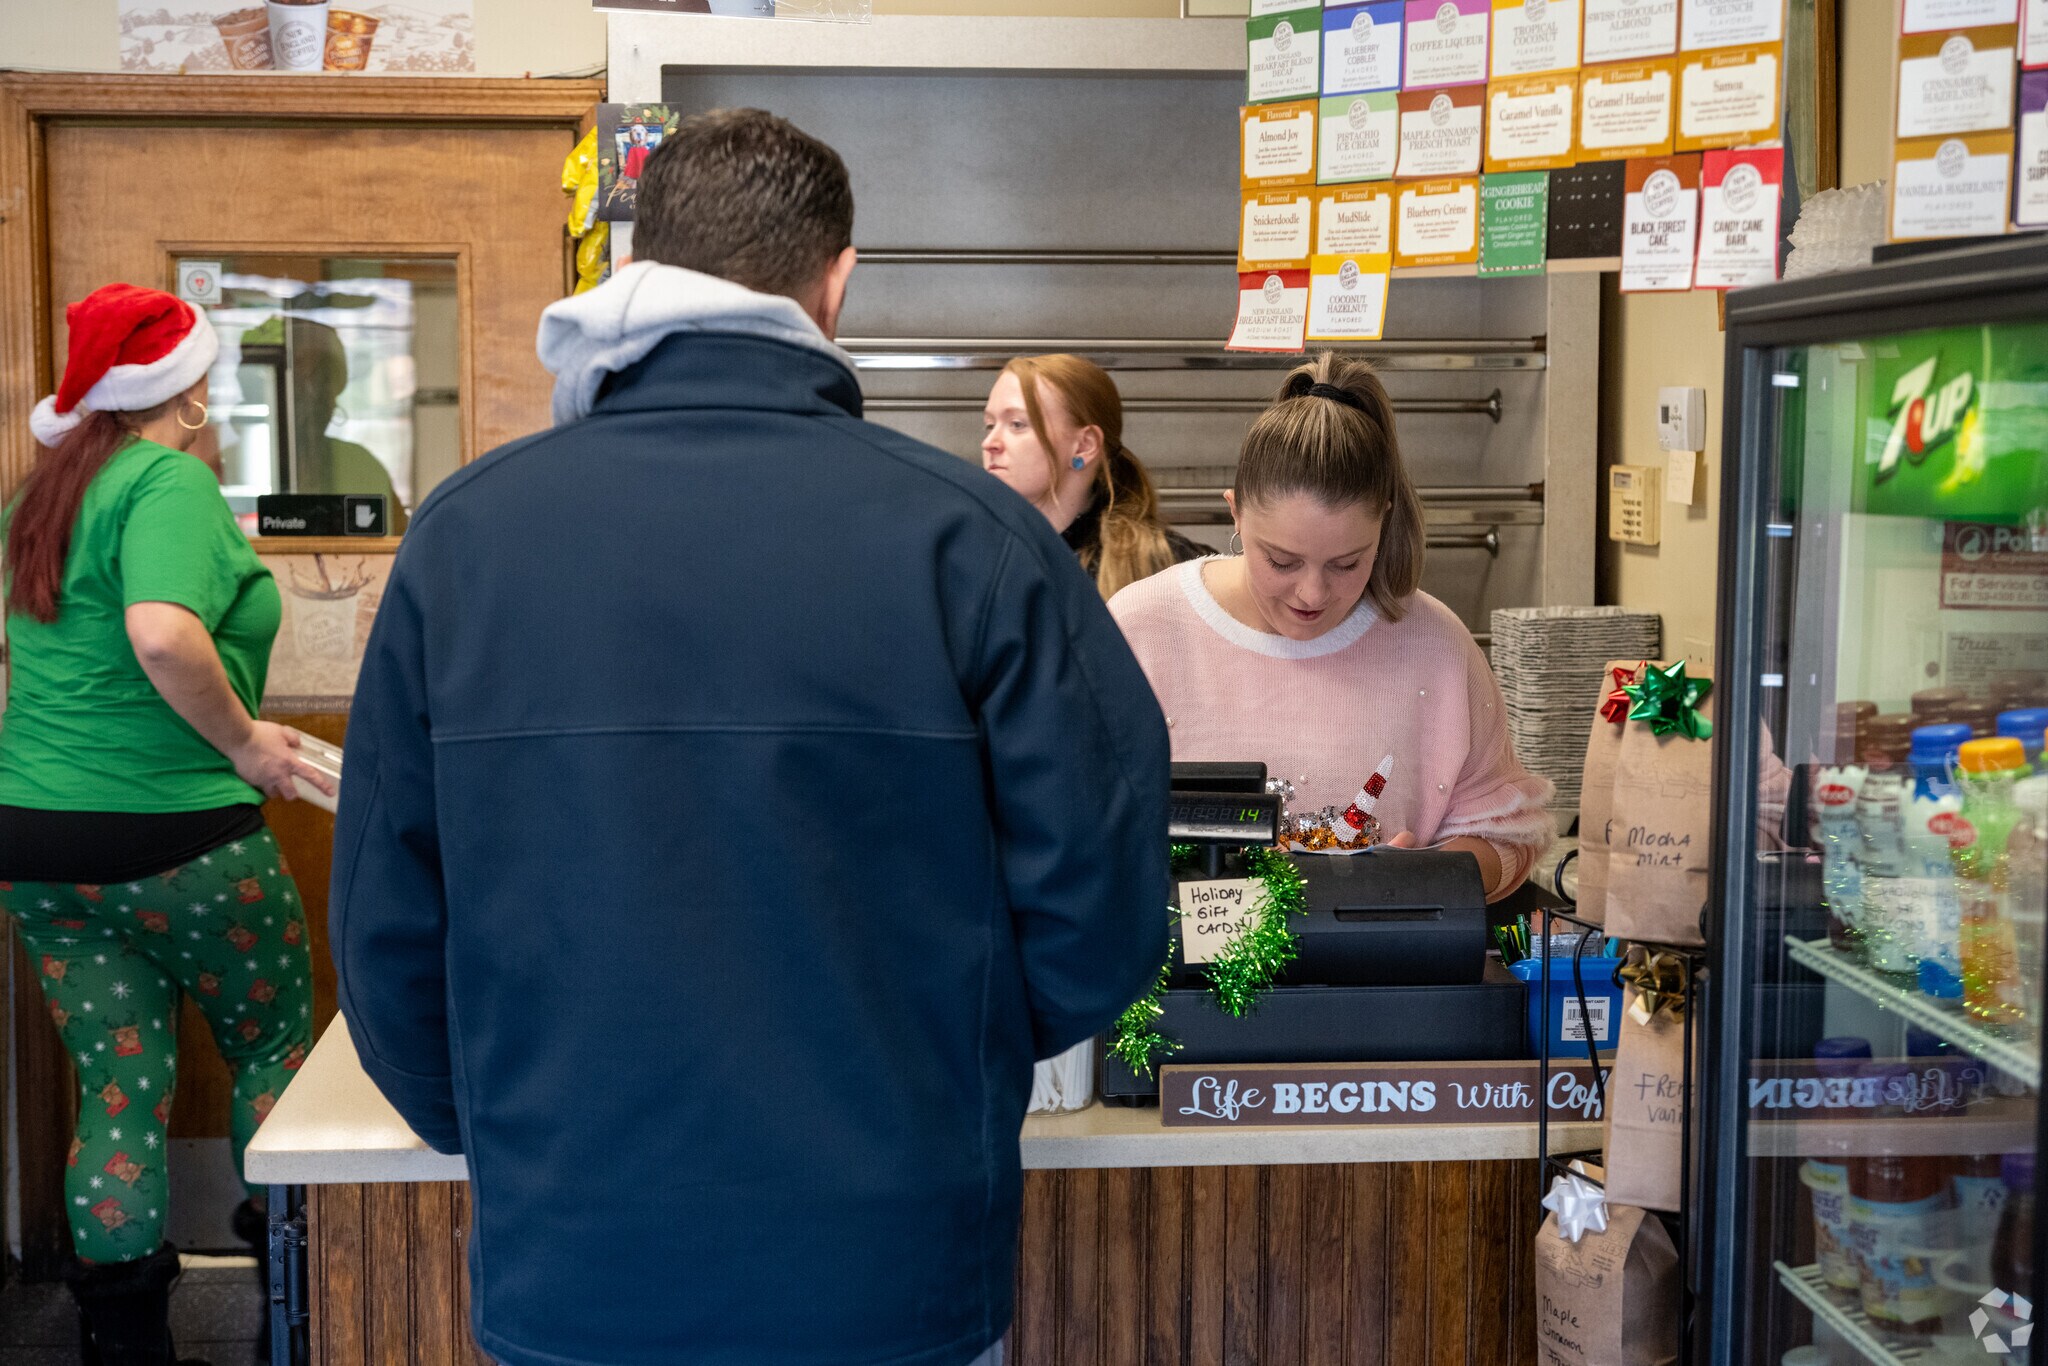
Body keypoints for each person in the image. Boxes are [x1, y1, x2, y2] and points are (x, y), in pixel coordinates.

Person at [330, 108, 1169, 1366]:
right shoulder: (977, 545)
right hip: (886, 1263)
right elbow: (1103, 905)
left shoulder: (462, 542)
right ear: (836, 283)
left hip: (577, 1255)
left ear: (640, 264)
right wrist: (948, 1062)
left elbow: (384, 926)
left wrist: (509, 1125)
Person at [1, 283, 329, 1361]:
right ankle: (296, 1313)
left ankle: (125, 1346)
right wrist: (244, 743)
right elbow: (160, 632)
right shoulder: (166, 480)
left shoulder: (41, 496)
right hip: (180, 837)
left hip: (39, 842)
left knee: (118, 1081)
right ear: (182, 390)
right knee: (273, 1051)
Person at [1109, 353, 1554, 901]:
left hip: (1380, 956)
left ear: (1384, 521)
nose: (1312, 594)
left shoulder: (1435, 642)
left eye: (1347, 564)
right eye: (1281, 561)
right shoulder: (1143, 628)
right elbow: (1070, 822)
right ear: (1236, 513)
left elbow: (1506, 835)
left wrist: (1418, 878)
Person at [980, 354, 1205, 598]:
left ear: (1084, 446)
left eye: (1017, 424)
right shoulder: (972, 554)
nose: (989, 443)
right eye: (990, 425)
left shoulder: (1170, 571)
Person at [238, 313, 407, 530]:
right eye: (297, 384)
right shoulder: (234, 469)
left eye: (322, 381)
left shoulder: (361, 466)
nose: (310, 396)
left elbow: (398, 539)